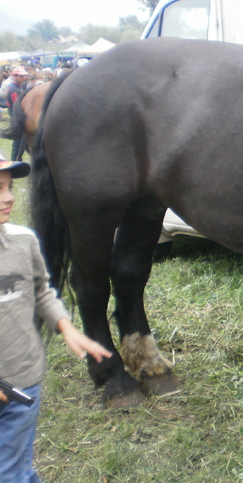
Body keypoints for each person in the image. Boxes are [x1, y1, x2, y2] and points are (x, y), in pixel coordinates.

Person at [0, 154, 113, 483]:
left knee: (10, 468)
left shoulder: (24, 242)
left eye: (8, 187)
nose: (8, 197)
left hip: (23, 381)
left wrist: (67, 328)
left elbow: (41, 292)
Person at [5, 66, 30, 161]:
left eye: (24, 76)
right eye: (21, 76)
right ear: (14, 76)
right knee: (19, 140)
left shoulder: (17, 86)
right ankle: (15, 161)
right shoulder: (14, 90)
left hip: (15, 114)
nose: (23, 78)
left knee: (26, 140)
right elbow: (17, 107)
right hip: (17, 116)